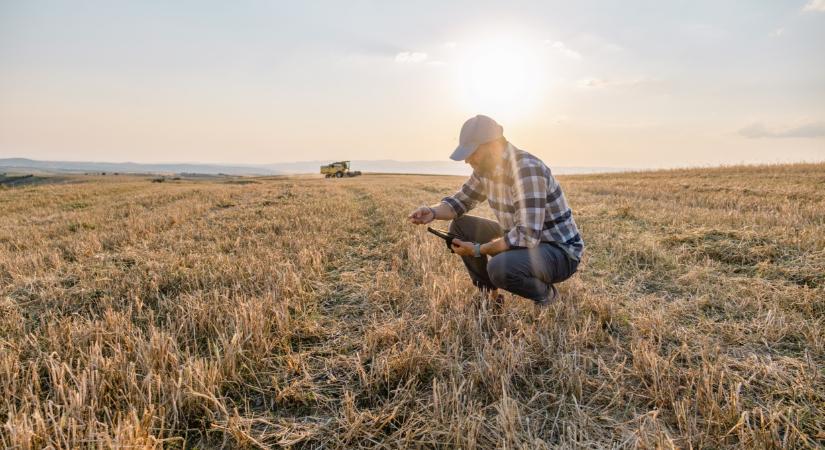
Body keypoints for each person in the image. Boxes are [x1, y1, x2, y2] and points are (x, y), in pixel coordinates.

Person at [408, 115, 583, 307]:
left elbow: (528, 236)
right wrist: (431, 212)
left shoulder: (526, 170)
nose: (467, 160)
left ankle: (546, 296)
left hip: (559, 251)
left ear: (493, 145)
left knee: (499, 268)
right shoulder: (486, 170)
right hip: (524, 240)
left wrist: (476, 249)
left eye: (472, 153)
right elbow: (459, 203)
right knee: (461, 226)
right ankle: (491, 297)